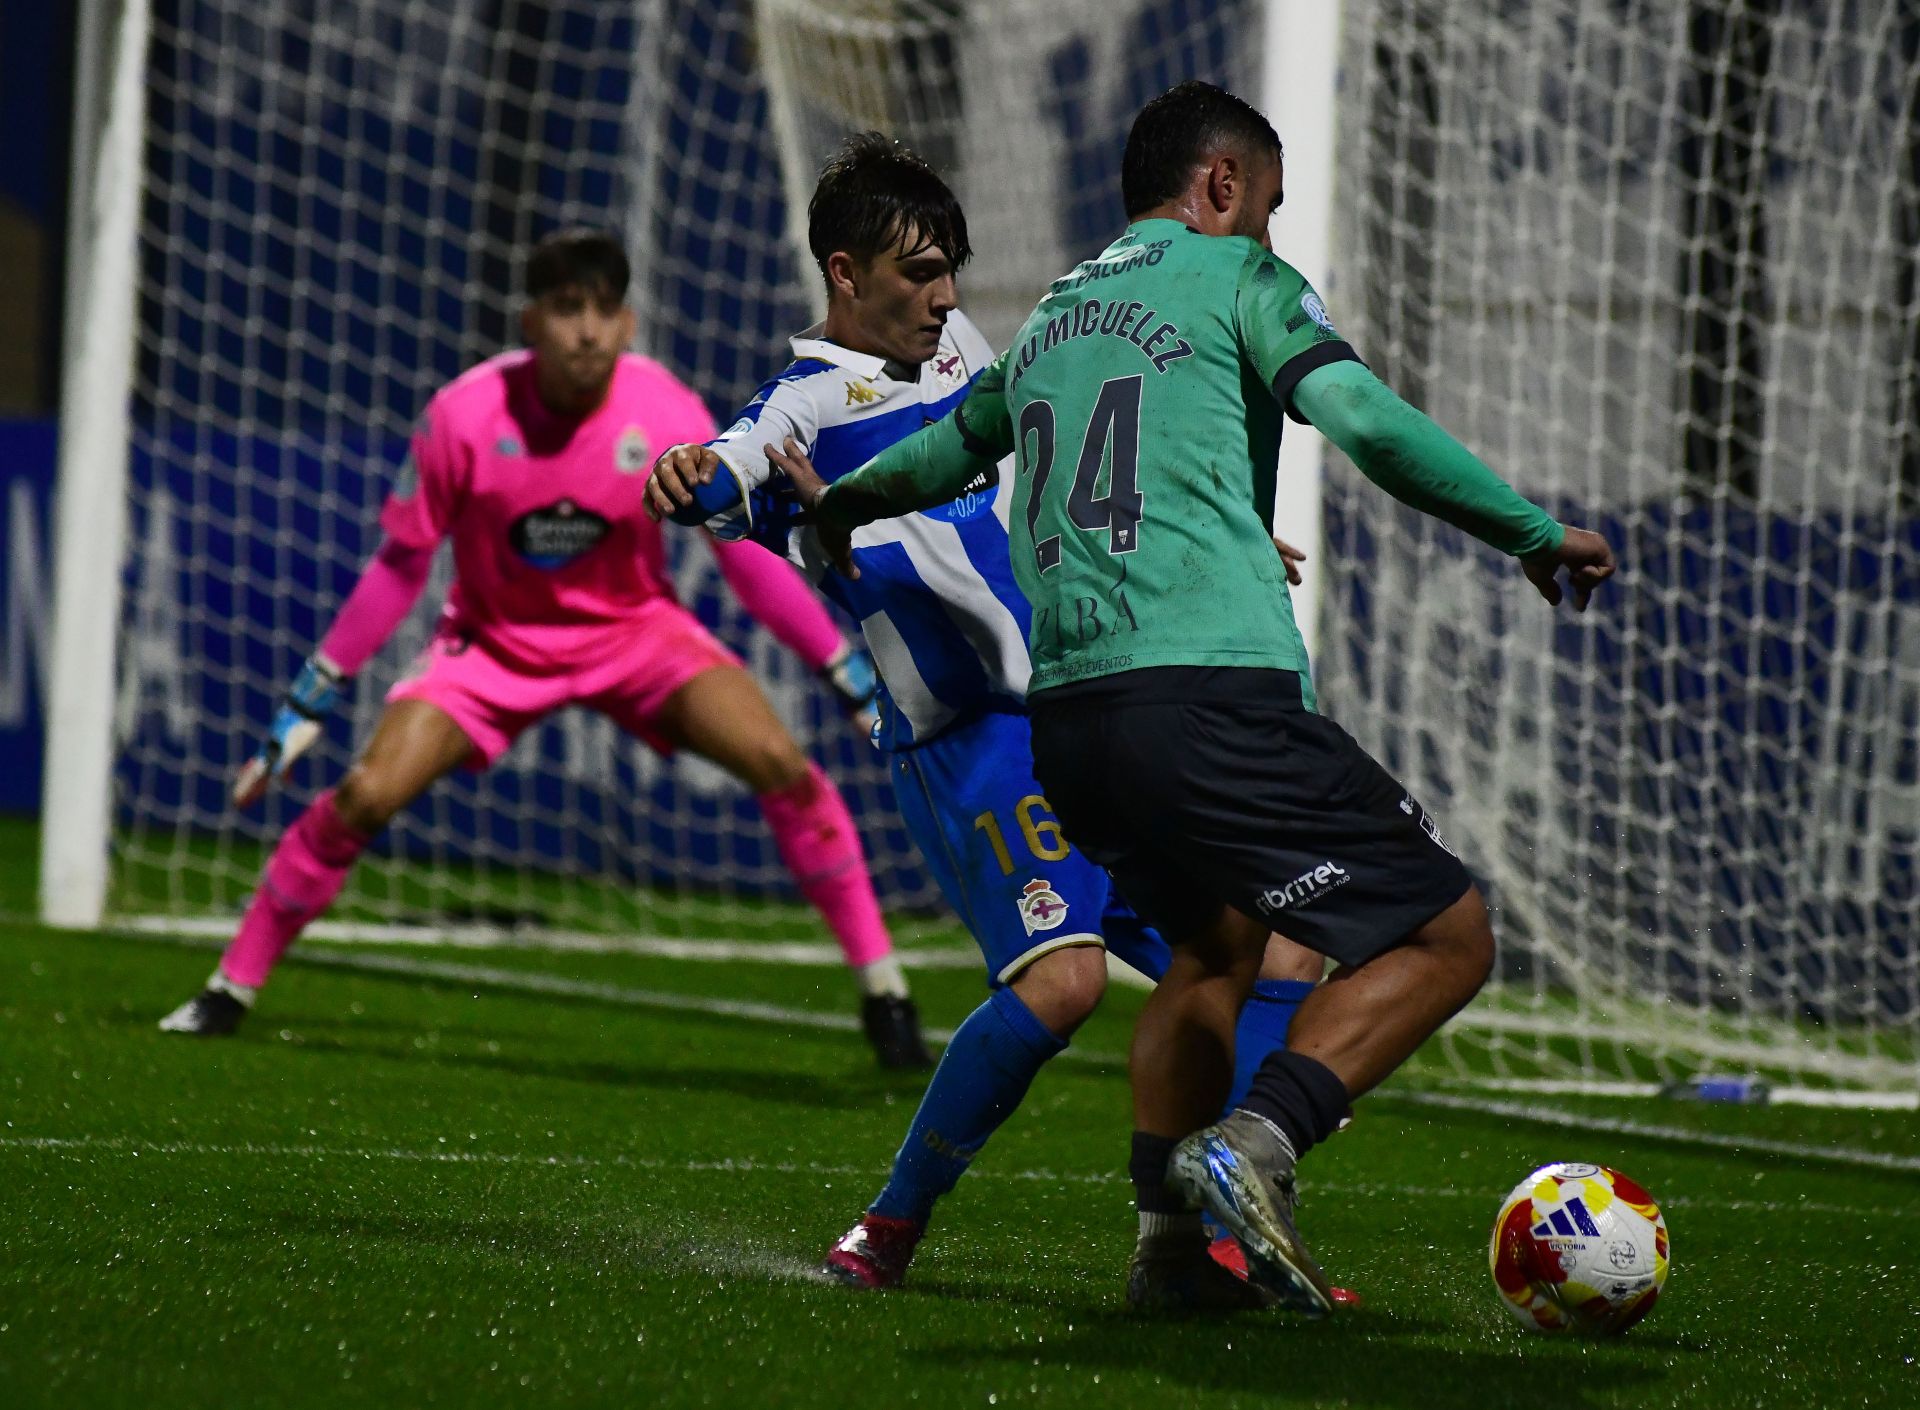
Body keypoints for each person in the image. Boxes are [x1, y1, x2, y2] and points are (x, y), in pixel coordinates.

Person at [746, 82, 1617, 1315]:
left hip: (1078, 725)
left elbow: (951, 452)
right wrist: (1527, 531)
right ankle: (1257, 1142)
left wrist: (837, 506)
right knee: (1447, 932)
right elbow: (1362, 422)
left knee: (1214, 949)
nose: (1269, 230)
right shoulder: (1241, 282)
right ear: (1218, 188)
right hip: (1211, 697)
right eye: (1266, 204)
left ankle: (1168, 1257)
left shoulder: (1052, 316)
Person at [647, 134, 1334, 1309]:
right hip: (972, 743)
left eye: (953, 268)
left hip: (1088, 706)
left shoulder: (965, 353)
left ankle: (1201, 1238)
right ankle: (889, 1227)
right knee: (1064, 983)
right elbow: (722, 466)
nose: (948, 296)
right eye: (919, 273)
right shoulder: (801, 408)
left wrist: (1200, 528)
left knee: (1278, 950)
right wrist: (684, 476)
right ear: (844, 272)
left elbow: (1060, 449)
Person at [159, 227, 931, 1071]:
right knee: (366, 796)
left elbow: (742, 557)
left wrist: (843, 669)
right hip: (492, 647)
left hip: (639, 635)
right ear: (531, 320)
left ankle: (884, 990)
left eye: (605, 311)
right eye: (568, 311)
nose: (589, 331)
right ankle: (229, 987)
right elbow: (400, 565)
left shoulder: (666, 410)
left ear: (630, 323)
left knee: (781, 763)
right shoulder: (463, 414)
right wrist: (311, 697)